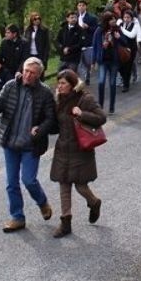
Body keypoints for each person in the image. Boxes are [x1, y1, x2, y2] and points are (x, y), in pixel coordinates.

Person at [0, 58, 55, 233]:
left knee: (29, 180)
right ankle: (17, 217)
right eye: (26, 70)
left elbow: (51, 118)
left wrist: (41, 128)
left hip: (31, 145)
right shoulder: (10, 86)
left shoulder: (44, 93)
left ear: (39, 75)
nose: (27, 75)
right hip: (10, 143)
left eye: (32, 73)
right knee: (11, 183)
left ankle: (42, 202)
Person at [49, 70, 107, 238]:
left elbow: (101, 117)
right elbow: (55, 124)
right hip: (62, 148)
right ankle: (65, 222)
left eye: (63, 83)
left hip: (81, 149)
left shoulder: (84, 99)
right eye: (58, 83)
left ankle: (94, 202)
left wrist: (82, 114)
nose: (59, 87)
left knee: (81, 186)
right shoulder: (58, 99)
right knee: (64, 185)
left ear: (72, 84)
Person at [92, 12, 124, 114]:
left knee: (112, 83)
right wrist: (93, 61)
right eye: (111, 19)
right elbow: (95, 46)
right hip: (103, 60)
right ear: (106, 21)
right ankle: (100, 106)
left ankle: (111, 107)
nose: (114, 21)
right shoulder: (99, 31)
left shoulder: (117, 29)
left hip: (114, 60)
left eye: (114, 19)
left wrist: (119, 37)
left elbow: (125, 42)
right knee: (101, 82)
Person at [118, 10, 141, 92]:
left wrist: (121, 29)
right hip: (122, 48)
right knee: (120, 66)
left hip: (131, 48)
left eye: (128, 17)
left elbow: (131, 35)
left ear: (131, 18)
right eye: (125, 17)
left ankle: (126, 85)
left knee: (128, 67)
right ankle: (125, 78)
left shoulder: (134, 25)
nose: (126, 19)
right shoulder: (121, 24)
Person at [76, 0, 99, 85]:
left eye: (82, 5)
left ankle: (87, 74)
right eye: (79, 5)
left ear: (86, 7)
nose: (81, 7)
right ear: (77, 7)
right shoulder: (75, 17)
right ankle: (81, 78)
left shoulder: (92, 18)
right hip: (78, 43)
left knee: (87, 62)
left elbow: (96, 30)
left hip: (88, 43)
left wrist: (88, 27)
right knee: (79, 62)